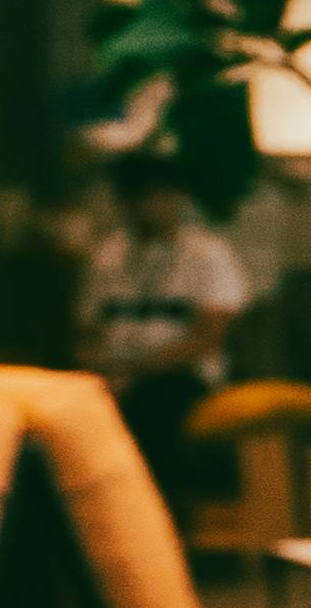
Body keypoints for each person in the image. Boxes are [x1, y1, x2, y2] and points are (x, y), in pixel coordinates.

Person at [76, 156, 255, 497]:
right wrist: (99, 370)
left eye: (155, 196)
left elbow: (207, 337)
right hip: (112, 377)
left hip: (182, 379)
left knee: (154, 411)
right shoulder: (107, 257)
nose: (145, 208)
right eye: (135, 198)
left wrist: (135, 369)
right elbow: (85, 331)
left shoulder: (205, 253)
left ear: (176, 197)